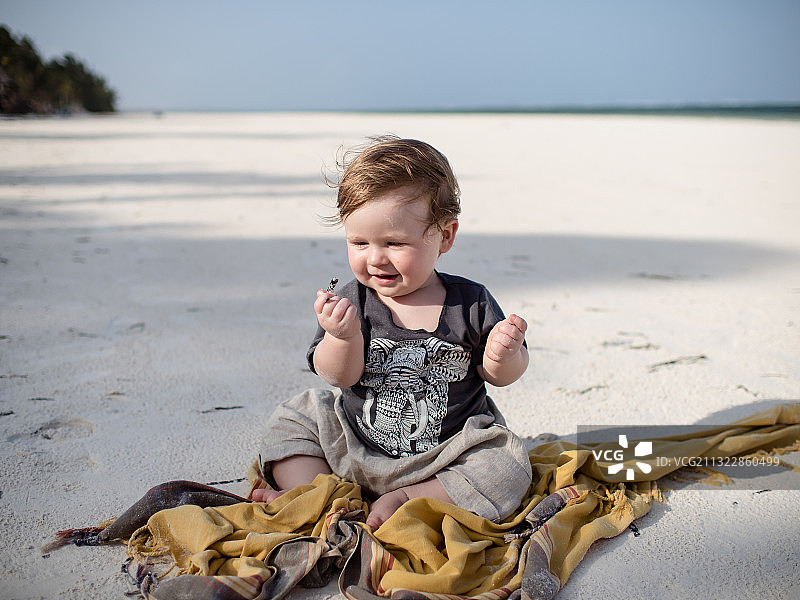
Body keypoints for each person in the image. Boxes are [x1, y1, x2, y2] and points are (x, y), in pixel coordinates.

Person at [251, 136, 532, 529]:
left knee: (507, 465)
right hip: (353, 445)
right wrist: (341, 338)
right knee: (298, 415)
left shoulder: (471, 302)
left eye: (395, 243)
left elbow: (499, 378)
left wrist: (504, 355)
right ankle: (314, 493)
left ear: (445, 237)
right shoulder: (353, 302)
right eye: (359, 242)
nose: (375, 258)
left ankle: (408, 499)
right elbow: (338, 377)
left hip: (446, 457)